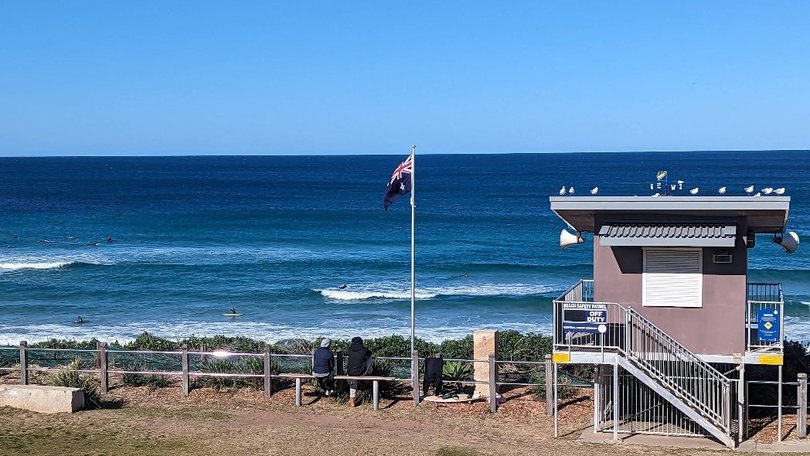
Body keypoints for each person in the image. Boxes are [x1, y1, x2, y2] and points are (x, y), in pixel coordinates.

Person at [346, 336, 373, 407]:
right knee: (370, 359)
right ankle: (369, 373)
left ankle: (352, 400)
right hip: (361, 372)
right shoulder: (364, 349)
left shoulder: (350, 349)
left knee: (353, 383)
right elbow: (370, 354)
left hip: (350, 372)